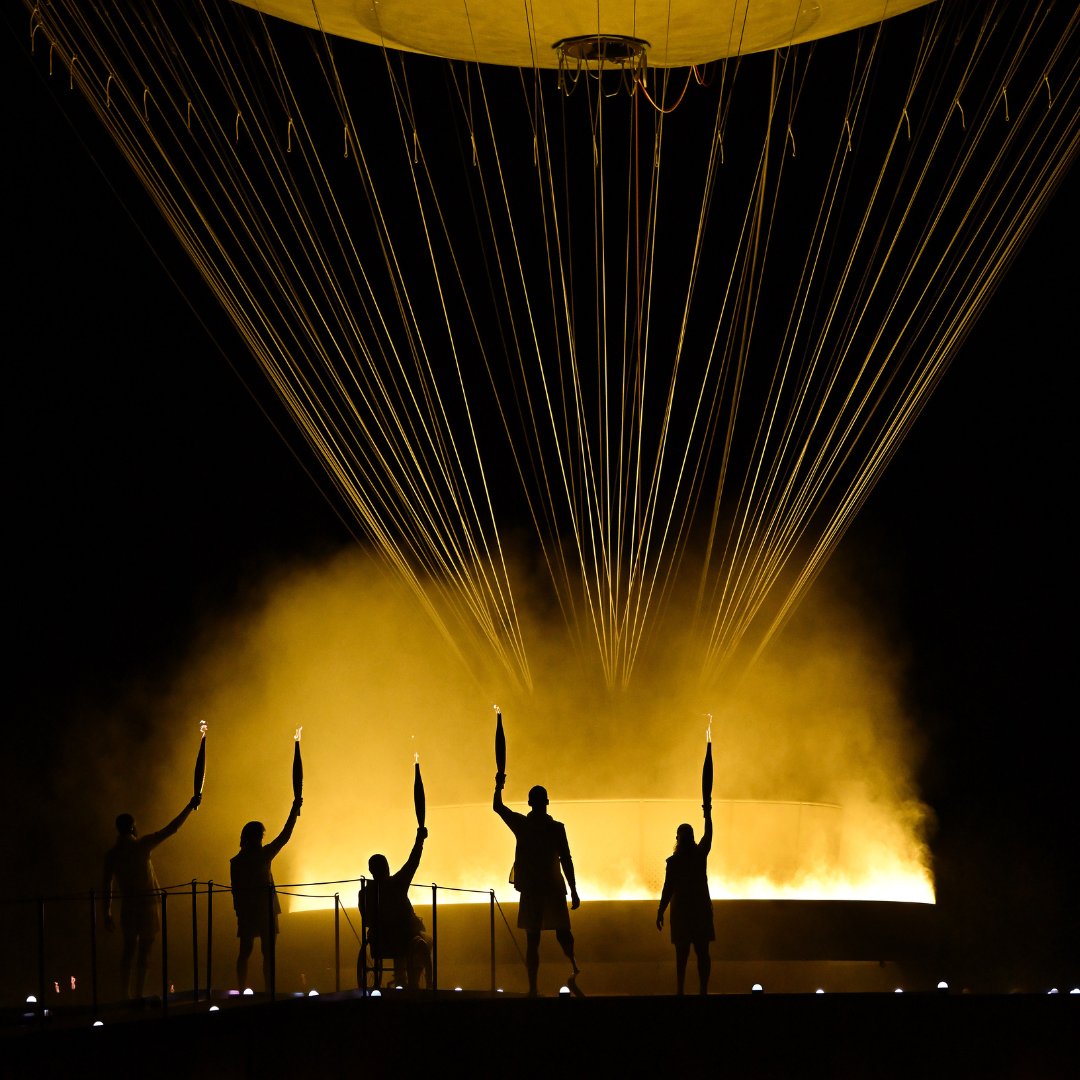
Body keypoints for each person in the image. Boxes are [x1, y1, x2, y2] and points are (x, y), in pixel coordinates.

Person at [101, 793, 201, 1000]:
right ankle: (137, 994)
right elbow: (172, 829)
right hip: (147, 905)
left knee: (128, 951)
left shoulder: (112, 854)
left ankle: (125, 995)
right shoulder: (141, 845)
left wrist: (106, 912)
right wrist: (190, 806)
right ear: (132, 827)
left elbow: (106, 885)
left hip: (129, 906)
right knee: (144, 952)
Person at [493, 773, 580, 996]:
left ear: (530, 803)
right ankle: (574, 967)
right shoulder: (556, 828)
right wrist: (574, 890)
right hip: (552, 888)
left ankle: (533, 987)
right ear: (547, 803)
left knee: (533, 940)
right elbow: (566, 859)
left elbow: (498, 807)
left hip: (533, 889)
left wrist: (499, 785)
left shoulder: (523, 825)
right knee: (562, 932)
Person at [229, 797, 302, 991]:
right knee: (265, 952)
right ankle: (268, 990)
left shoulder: (237, 862)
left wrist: (239, 911)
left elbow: (235, 891)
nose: (261, 841)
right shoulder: (262, 856)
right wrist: (294, 811)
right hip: (263, 911)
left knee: (246, 950)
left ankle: (241, 988)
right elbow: (284, 836)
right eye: (260, 837)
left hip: (249, 911)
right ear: (254, 838)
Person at [360, 826, 432, 990]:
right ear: (387, 867)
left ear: (371, 870)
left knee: (397, 935)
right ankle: (416, 979)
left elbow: (366, 919)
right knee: (426, 941)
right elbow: (413, 862)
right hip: (404, 938)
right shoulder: (397, 884)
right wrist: (419, 840)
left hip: (379, 940)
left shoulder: (364, 893)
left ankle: (400, 977)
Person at [656, 802, 714, 994]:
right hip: (700, 910)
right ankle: (702, 990)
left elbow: (667, 888)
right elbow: (708, 836)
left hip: (682, 912)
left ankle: (680, 991)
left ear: (678, 839)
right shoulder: (699, 856)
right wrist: (707, 814)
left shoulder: (674, 862)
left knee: (682, 955)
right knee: (702, 953)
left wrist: (660, 911)